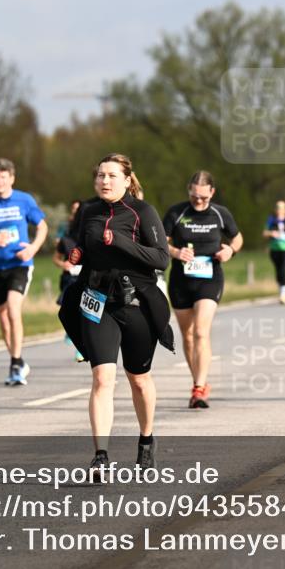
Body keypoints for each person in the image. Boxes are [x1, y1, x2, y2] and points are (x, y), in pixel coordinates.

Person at [58, 154, 172, 473]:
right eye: (100, 176)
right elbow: (83, 244)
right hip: (97, 302)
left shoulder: (142, 211)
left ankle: (146, 440)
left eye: (111, 176)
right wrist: (78, 252)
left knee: (138, 380)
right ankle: (101, 455)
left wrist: (119, 241)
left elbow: (161, 258)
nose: (105, 181)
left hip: (135, 305)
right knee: (102, 377)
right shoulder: (89, 212)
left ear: (126, 180)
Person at [163, 171, 243, 409]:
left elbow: (237, 238)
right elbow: (160, 243)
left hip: (210, 277)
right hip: (181, 279)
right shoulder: (176, 213)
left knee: (200, 331)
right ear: (189, 190)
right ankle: (197, 381)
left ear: (212, 193)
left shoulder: (220, 213)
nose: (198, 201)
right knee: (187, 336)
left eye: (203, 197)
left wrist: (230, 250)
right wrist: (176, 252)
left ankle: (199, 387)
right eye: (195, 196)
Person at [0, 159, 48, 386]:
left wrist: (33, 248)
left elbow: (42, 226)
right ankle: (19, 359)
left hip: (20, 264)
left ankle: (14, 364)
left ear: (12, 178)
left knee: (14, 309)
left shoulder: (24, 200)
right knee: (3, 319)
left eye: (3, 177)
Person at [54, 199, 86, 362]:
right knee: (69, 309)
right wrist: (63, 264)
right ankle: (71, 332)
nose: (75, 214)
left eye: (78, 210)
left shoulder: (90, 234)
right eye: (73, 210)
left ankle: (81, 347)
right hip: (68, 278)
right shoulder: (65, 236)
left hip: (85, 278)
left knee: (83, 312)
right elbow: (56, 257)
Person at [263, 200, 285, 305]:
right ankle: (281, 288)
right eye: (278, 208)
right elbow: (264, 233)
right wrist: (271, 233)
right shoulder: (271, 220)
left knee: (283, 269)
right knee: (278, 271)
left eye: (282, 208)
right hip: (275, 248)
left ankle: (284, 294)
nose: (280, 210)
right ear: (275, 209)